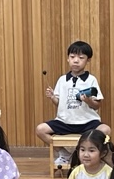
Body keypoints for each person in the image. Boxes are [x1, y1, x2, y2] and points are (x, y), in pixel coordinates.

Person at [36, 40, 108, 171]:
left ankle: (88, 156)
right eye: (72, 57)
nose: (76, 61)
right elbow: (59, 104)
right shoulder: (62, 80)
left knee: (105, 130)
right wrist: (53, 97)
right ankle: (64, 154)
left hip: (87, 121)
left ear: (88, 60)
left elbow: (97, 105)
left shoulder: (91, 80)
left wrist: (88, 101)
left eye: (81, 58)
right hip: (64, 122)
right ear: (68, 59)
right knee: (40, 130)